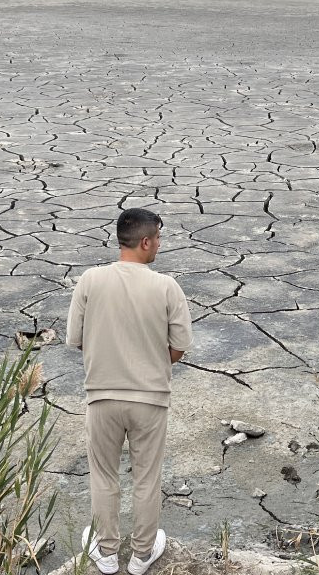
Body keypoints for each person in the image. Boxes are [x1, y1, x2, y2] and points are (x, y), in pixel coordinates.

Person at [67, 208, 193, 575]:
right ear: (145, 241)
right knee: (146, 477)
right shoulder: (166, 286)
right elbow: (179, 346)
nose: (159, 245)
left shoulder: (90, 280)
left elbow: (76, 339)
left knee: (103, 476)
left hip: (102, 396)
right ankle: (141, 555)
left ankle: (105, 553)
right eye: (158, 239)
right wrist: (151, 364)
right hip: (150, 399)